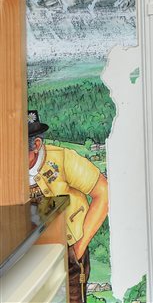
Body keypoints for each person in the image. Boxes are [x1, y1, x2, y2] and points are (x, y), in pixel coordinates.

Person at [28, 109, 109, 303]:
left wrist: (77, 249)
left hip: (68, 252)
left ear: (36, 145)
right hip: (29, 260)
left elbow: (103, 192)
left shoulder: (62, 159)